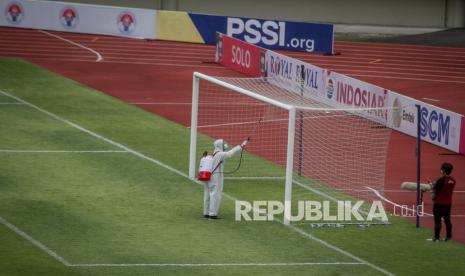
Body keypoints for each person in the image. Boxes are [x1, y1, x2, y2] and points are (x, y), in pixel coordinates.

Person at [204, 138, 248, 219]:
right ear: (220, 145)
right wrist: (241, 146)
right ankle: (212, 214)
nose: (225, 144)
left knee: (208, 195)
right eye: (223, 143)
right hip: (216, 177)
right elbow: (230, 153)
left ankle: (206, 213)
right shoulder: (220, 154)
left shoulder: (214, 153)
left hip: (208, 176)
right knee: (215, 195)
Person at [428, 162, 456, 241]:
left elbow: (435, 189)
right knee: (447, 220)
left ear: (443, 170)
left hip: (439, 203)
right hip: (448, 203)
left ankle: (436, 237)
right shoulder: (453, 180)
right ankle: (448, 237)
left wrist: (431, 185)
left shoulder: (441, 179)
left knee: (437, 220)